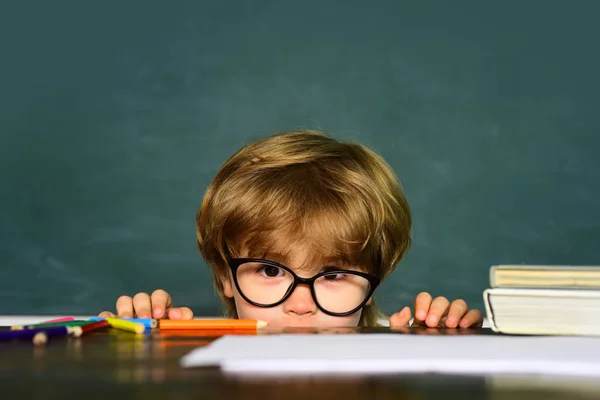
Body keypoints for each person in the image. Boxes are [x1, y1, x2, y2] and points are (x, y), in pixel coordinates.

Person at [99, 130, 483, 329]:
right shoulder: (193, 361)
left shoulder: (400, 346)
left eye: (333, 274)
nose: (300, 306)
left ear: (373, 283)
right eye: (269, 270)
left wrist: (437, 339)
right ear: (224, 276)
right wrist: (139, 340)